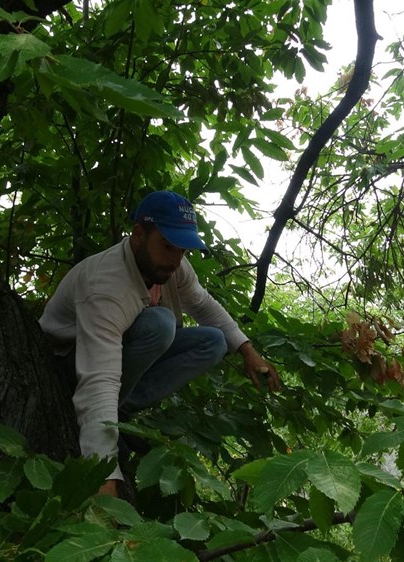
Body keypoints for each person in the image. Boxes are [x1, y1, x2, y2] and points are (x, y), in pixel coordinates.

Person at [39, 190, 280, 497]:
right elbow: (99, 380)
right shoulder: (106, 286)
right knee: (160, 324)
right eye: (167, 246)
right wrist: (104, 474)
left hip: (117, 354)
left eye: (183, 250)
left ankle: (122, 409)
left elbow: (204, 305)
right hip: (69, 360)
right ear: (139, 234)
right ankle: (108, 420)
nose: (175, 259)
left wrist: (247, 350)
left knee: (213, 341)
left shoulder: (172, 266)